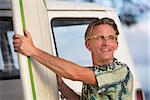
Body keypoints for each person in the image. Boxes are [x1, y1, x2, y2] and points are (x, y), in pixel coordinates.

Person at [13, 17, 133, 100]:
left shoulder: (120, 71)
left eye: (111, 38)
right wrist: (61, 86)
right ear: (87, 45)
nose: (106, 43)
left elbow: (75, 73)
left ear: (116, 44)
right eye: (99, 38)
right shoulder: (93, 74)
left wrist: (33, 51)